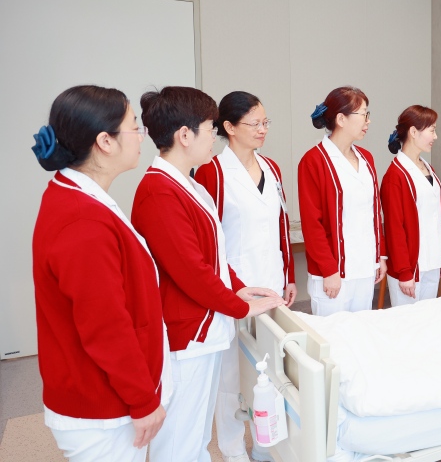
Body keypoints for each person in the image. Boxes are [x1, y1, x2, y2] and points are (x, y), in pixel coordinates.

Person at [131, 86, 284, 462]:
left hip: (206, 326)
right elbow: (191, 270)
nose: (214, 135)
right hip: (188, 333)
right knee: (180, 443)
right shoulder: (159, 191)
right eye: (210, 127)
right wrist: (238, 306)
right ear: (185, 135)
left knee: (195, 438)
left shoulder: (188, 185)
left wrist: (239, 289)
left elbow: (213, 255)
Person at [31, 85, 167, 461]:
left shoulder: (76, 195)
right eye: (134, 127)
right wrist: (143, 401)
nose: (141, 136)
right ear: (105, 141)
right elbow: (105, 326)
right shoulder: (82, 220)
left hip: (98, 393)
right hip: (99, 409)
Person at [193, 91, 295, 462]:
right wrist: (227, 288)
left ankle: (266, 446)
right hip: (233, 289)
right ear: (230, 127)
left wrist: (289, 275)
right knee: (231, 376)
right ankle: (234, 450)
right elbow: (207, 238)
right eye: (254, 123)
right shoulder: (212, 172)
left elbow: (281, 224)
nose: (262, 129)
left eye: (266, 122)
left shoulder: (272, 168)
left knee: (270, 370)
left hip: (273, 282)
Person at [298, 86, 386, 315]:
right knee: (332, 335)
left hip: (365, 267)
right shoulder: (313, 161)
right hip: (334, 273)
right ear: (341, 119)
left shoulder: (366, 158)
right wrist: (329, 270)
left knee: (360, 332)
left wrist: (379, 257)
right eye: (363, 114)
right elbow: (312, 224)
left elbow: (374, 213)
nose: (368, 121)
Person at [380, 105, 441, 306]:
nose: (435, 136)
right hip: (409, 267)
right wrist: (404, 271)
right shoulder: (395, 175)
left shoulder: (428, 168)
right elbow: (394, 228)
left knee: (428, 320)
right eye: (432, 130)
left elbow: (436, 216)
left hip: (432, 261)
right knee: (407, 321)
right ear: (413, 131)